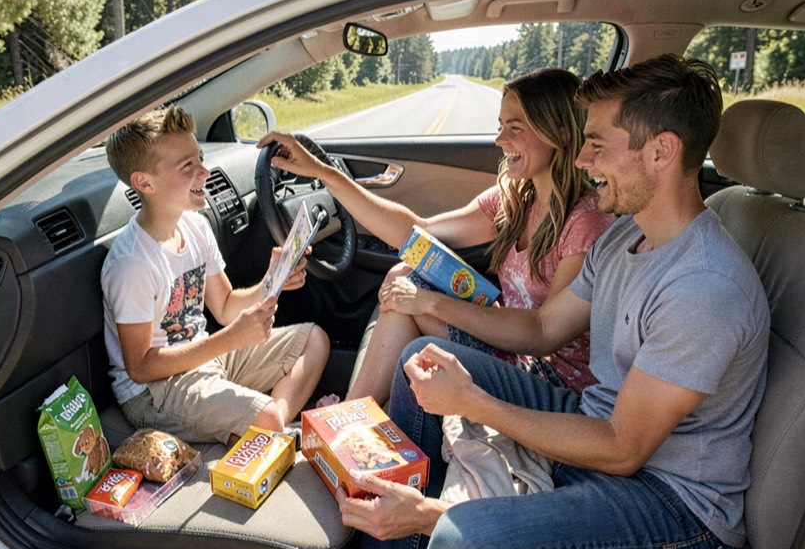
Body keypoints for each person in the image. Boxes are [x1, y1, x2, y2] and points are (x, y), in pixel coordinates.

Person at [339, 53, 770, 549]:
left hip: (671, 505)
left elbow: (622, 449)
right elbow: (544, 328)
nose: (583, 161)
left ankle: (415, 522)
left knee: (461, 539)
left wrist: (473, 407)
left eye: (598, 145)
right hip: (596, 425)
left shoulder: (703, 285)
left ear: (661, 152)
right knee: (422, 360)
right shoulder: (625, 238)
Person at [258, 68, 613, 405]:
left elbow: (541, 333)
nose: (499, 140)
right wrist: (325, 174)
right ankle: (351, 417)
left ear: (561, 133)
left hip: (551, 382)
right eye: (501, 126)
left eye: (515, 128)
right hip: (514, 353)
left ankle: (347, 420)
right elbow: (418, 233)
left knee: (411, 293)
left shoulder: (585, 223)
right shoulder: (518, 199)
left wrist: (428, 303)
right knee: (403, 277)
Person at [101, 105, 330, 447]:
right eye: (187, 166)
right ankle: (271, 426)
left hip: (205, 357)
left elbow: (223, 306)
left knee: (315, 340)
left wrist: (272, 282)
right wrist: (230, 339)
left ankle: (272, 426)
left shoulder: (195, 226)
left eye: (200, 158)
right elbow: (140, 368)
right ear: (144, 182)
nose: (205, 172)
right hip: (154, 391)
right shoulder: (133, 263)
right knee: (265, 417)